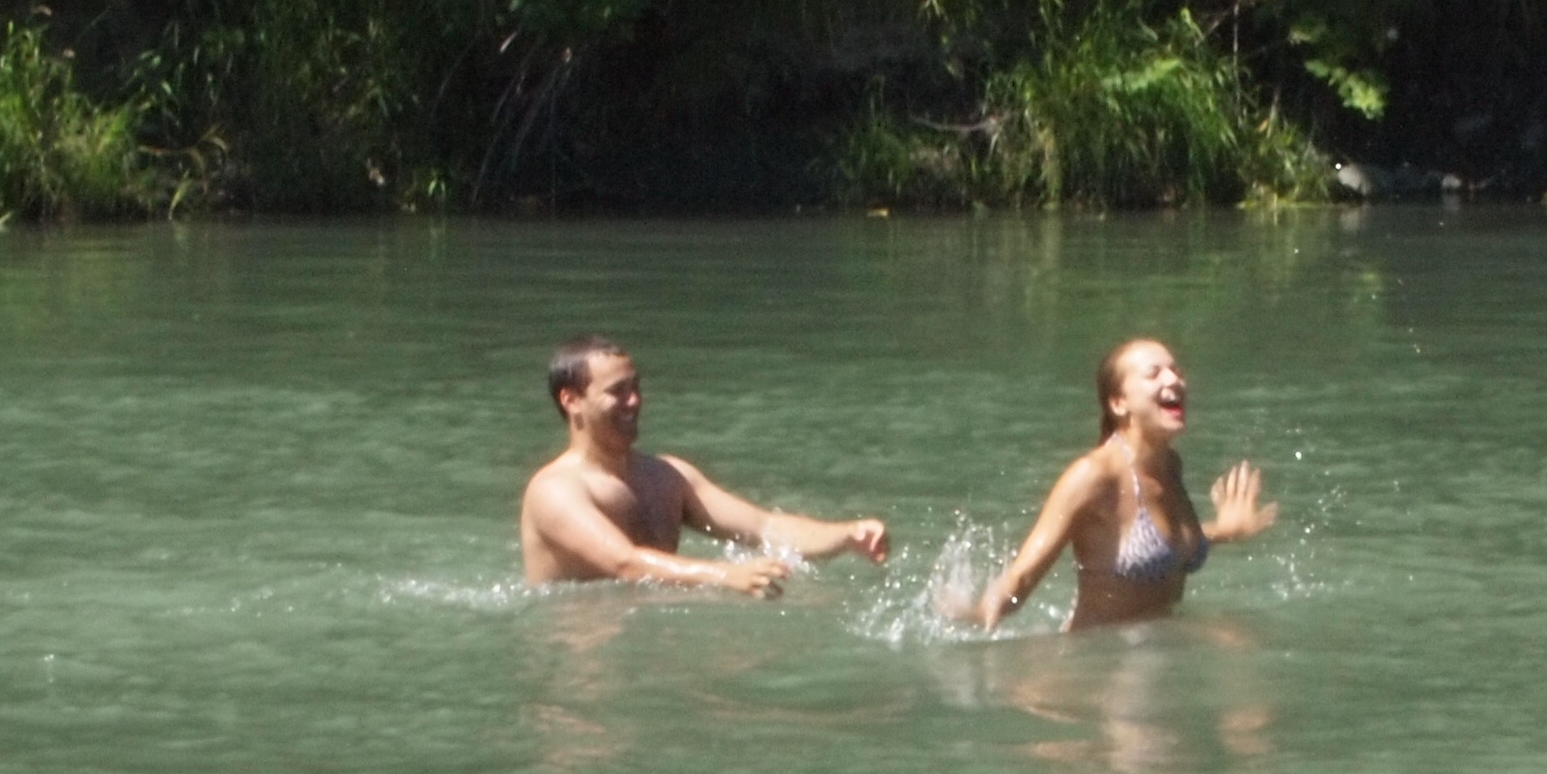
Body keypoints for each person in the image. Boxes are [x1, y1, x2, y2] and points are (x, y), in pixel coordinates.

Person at [518, 337, 888, 594]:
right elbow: (625, 564)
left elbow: (764, 527)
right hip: (581, 655)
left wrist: (846, 535)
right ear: (571, 400)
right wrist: (726, 575)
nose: (634, 401)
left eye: (636, 387)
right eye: (617, 391)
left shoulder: (667, 476)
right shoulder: (555, 490)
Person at [965, 337, 1276, 631]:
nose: (1173, 380)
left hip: (1160, 654)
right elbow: (1023, 574)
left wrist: (1225, 530)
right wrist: (983, 610)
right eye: (1153, 374)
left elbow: (1167, 547)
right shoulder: (1093, 476)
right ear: (1118, 404)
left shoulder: (1170, 465)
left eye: (1176, 370)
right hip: (1094, 659)